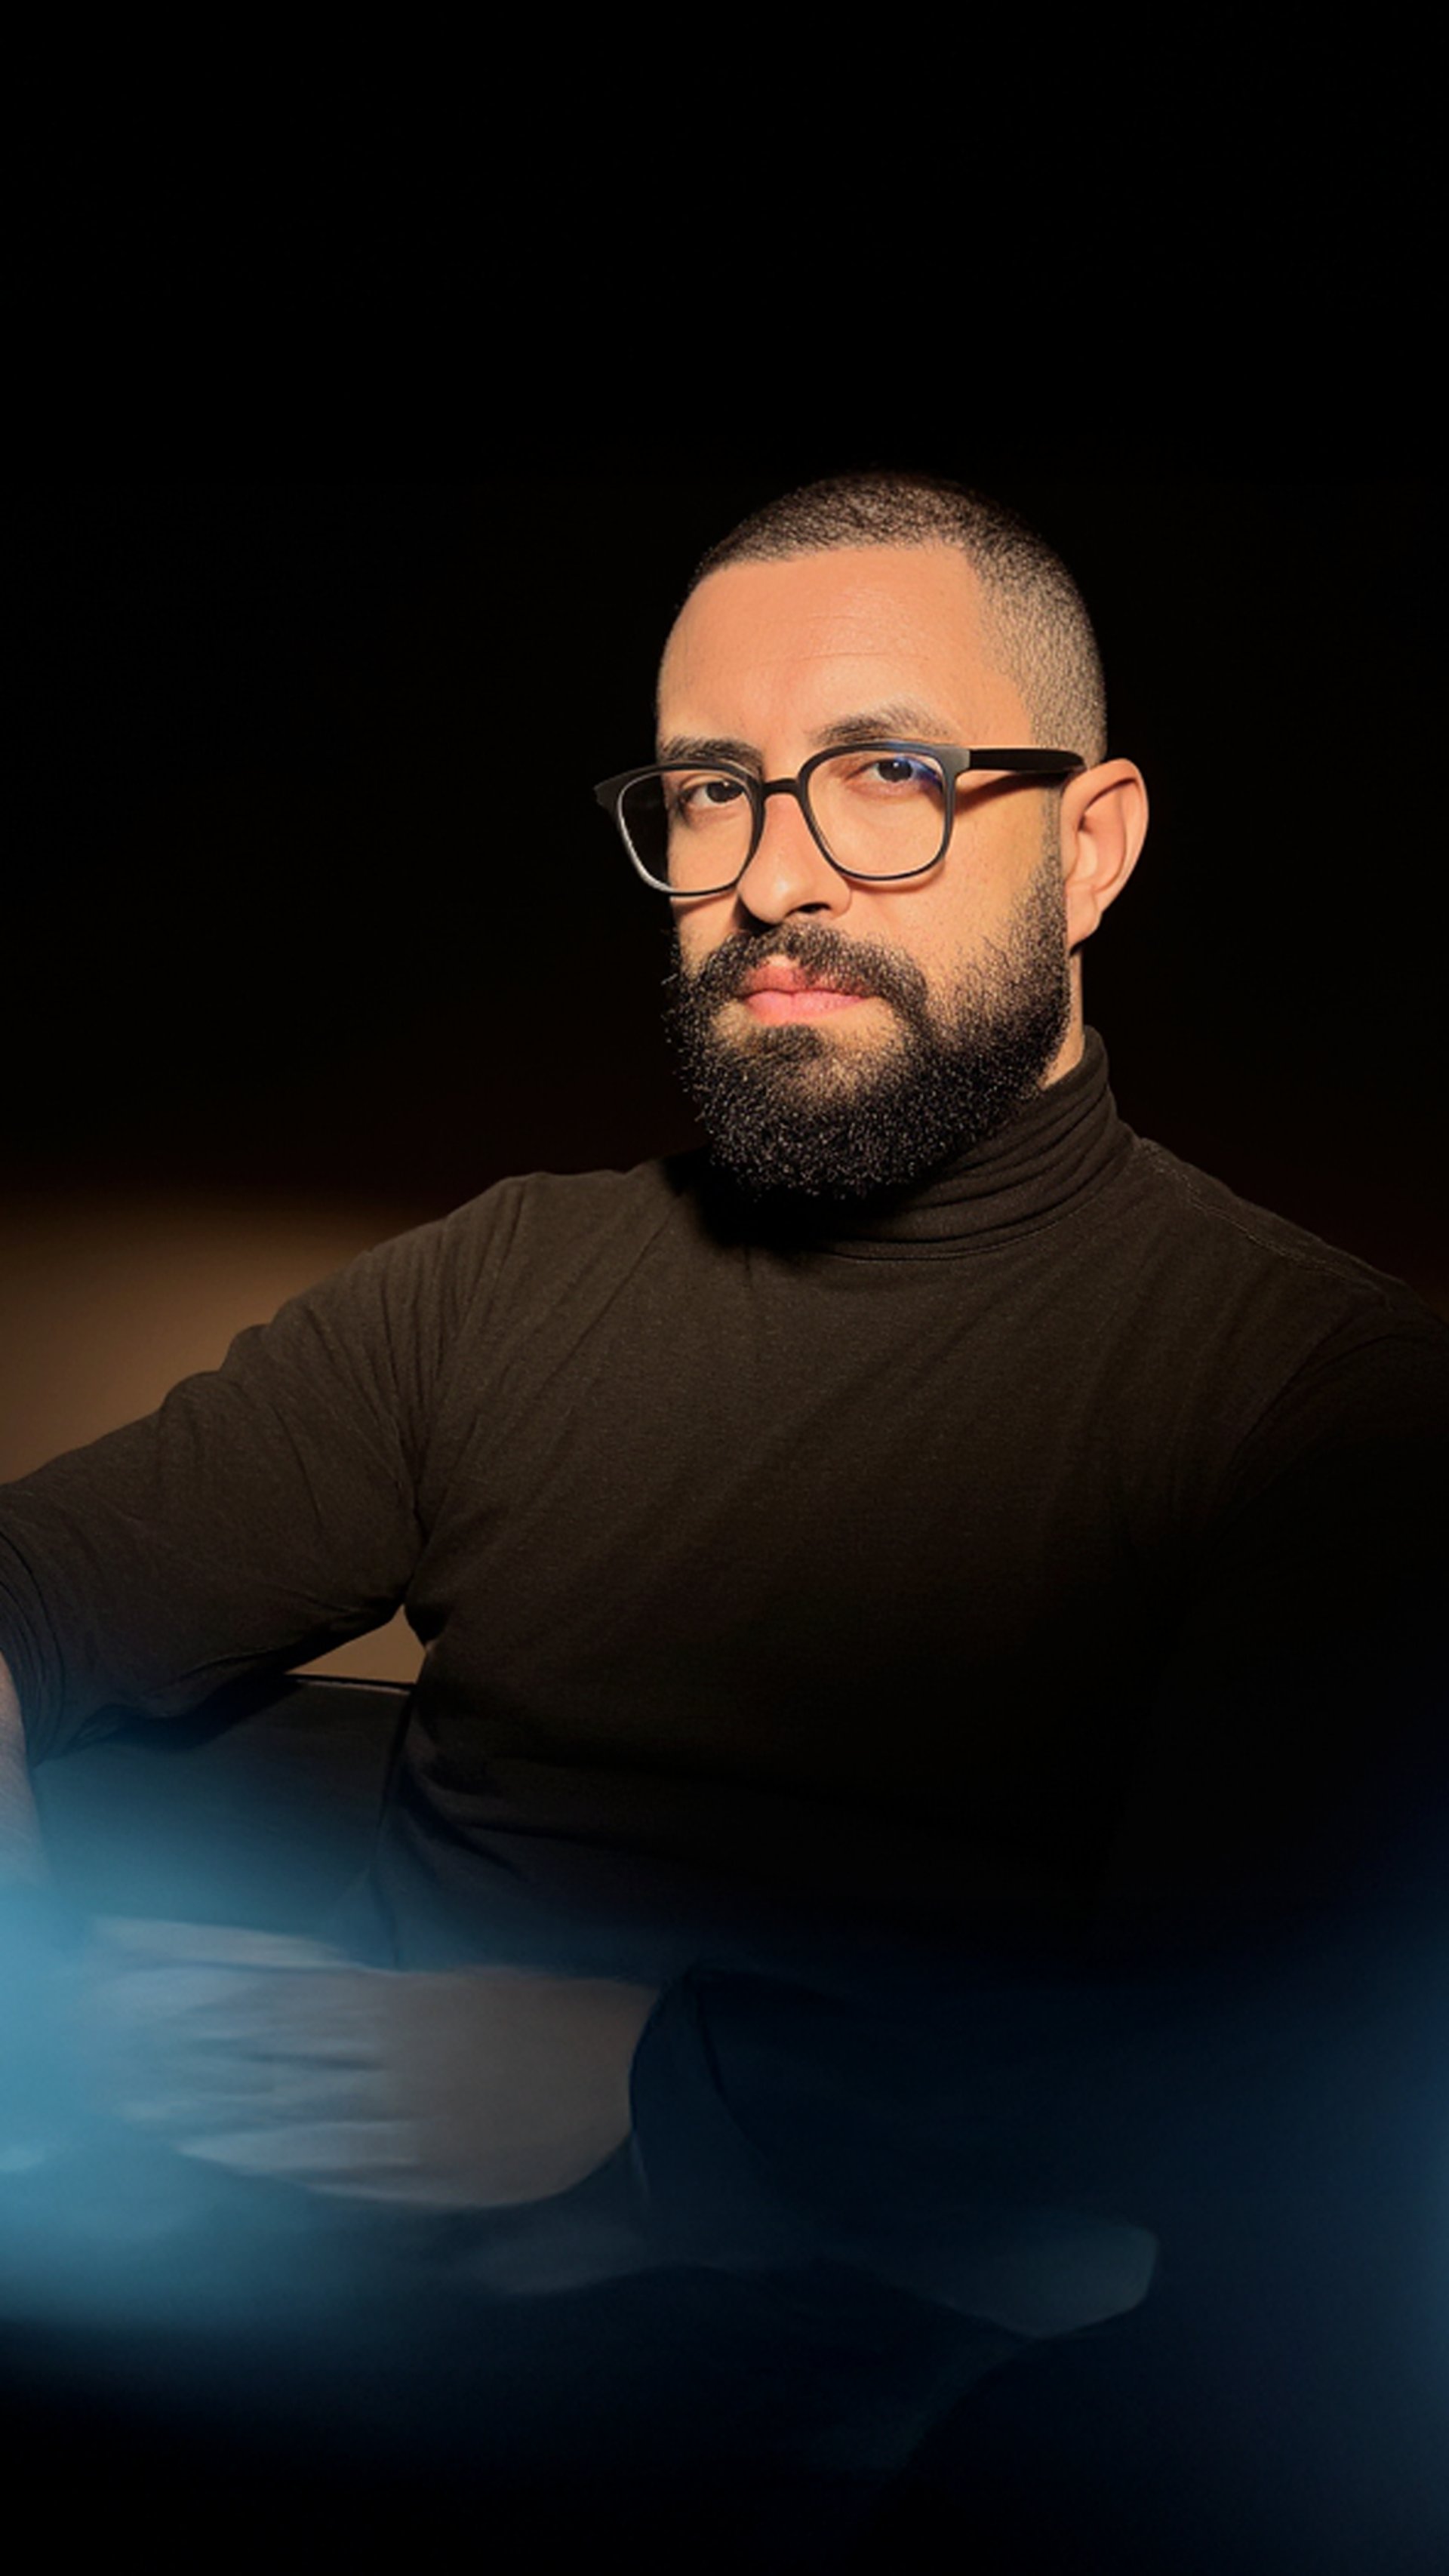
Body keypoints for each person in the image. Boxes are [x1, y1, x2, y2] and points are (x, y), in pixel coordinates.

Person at [1, 471, 1446, 2568]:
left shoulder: (1322, 1407)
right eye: (706, 795)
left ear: (1093, 848)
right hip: (304, 2298)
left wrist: (658, 2095)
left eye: (889, 774)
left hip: (880, 2386)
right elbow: (34, 1594)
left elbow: (1278, 2087)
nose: (772, 878)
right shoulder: (501, 1284)